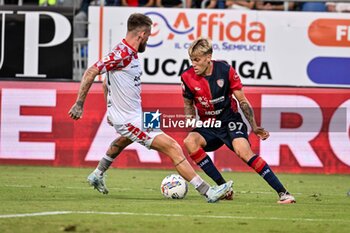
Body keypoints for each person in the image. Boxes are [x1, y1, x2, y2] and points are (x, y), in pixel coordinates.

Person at [68, 13, 232, 203]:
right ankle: (208, 192)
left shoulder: (127, 53)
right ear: (142, 35)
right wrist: (80, 103)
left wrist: (111, 109)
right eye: (149, 36)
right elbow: (91, 71)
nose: (148, 39)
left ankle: (97, 174)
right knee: (173, 147)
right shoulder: (122, 54)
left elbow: (106, 83)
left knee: (125, 140)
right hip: (129, 118)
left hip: (133, 114)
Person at [180, 37, 296, 204]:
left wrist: (254, 126)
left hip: (230, 120)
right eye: (191, 60)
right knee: (190, 141)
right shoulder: (186, 77)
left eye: (197, 60)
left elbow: (242, 100)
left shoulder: (225, 70)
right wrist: (190, 122)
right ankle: (224, 188)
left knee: (243, 152)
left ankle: (283, 193)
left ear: (208, 57)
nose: (194, 64)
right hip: (209, 124)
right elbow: (188, 103)